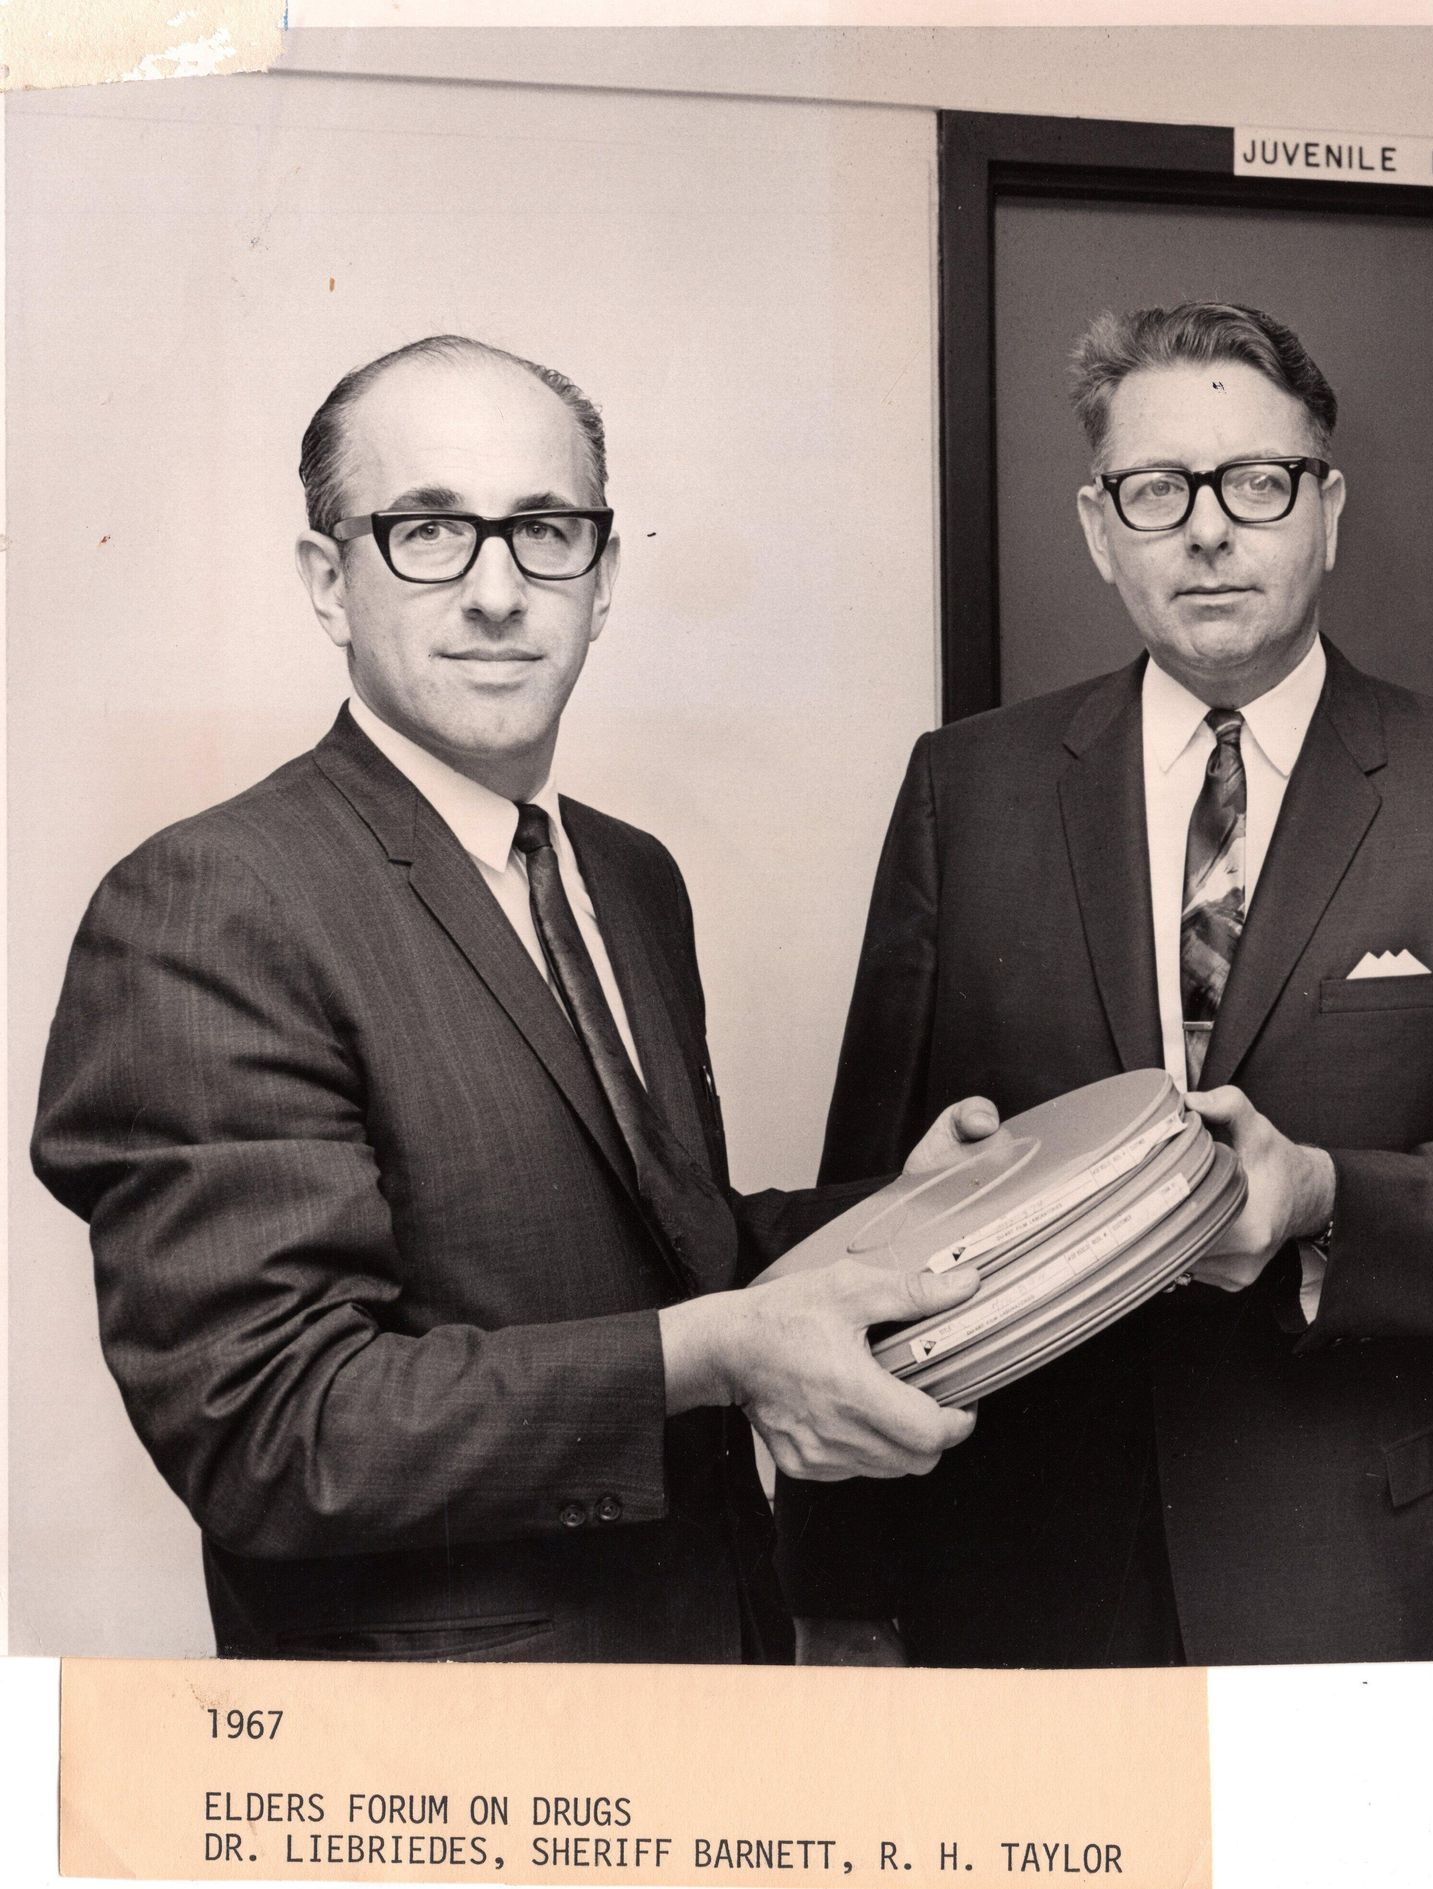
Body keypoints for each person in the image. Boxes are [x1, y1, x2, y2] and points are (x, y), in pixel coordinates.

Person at [31, 334, 993, 1664]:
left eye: (545, 531)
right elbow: (273, 1427)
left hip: (717, 1678)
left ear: (603, 580)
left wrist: (902, 1212)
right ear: (329, 581)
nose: (497, 592)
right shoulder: (210, 901)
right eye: (427, 531)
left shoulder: (630, 876)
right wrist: (713, 1352)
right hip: (445, 1747)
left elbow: (657, 1246)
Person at [779, 301, 1433, 1667]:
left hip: (1347, 1561)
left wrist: (1323, 1197)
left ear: (1328, 510)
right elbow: (866, 1206)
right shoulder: (968, 791)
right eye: (1158, 489)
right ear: (1097, 526)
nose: (1210, 529)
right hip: (1016, 1557)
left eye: (1258, 482)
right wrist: (836, 1583)